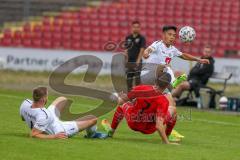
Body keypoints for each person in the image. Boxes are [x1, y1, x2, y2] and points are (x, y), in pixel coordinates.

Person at [102, 72, 184, 145]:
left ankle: (111, 132)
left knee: (122, 105)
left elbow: (120, 101)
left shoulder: (140, 88)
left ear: (155, 81)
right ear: (167, 85)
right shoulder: (163, 101)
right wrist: (167, 143)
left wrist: (119, 96)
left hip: (133, 123)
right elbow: (159, 126)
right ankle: (167, 136)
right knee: (173, 109)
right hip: (149, 129)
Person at [141, 25, 210, 108]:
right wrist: (146, 52)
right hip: (150, 77)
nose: (172, 37)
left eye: (174, 35)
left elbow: (183, 55)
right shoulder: (158, 44)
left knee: (171, 104)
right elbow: (149, 49)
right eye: (169, 34)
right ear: (163, 35)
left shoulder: (172, 49)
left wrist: (199, 60)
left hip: (160, 81)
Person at [20, 86, 108, 139]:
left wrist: (33, 118)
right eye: (47, 96)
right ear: (43, 99)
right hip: (58, 129)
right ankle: (91, 135)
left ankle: (65, 120)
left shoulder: (25, 103)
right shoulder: (44, 115)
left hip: (50, 118)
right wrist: (54, 136)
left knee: (62, 99)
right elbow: (33, 134)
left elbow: (23, 118)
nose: (47, 98)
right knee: (93, 118)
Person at [124, 21, 146, 91]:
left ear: (139, 28)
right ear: (132, 28)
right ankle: (130, 96)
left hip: (137, 61)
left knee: (137, 79)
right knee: (128, 79)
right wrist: (126, 60)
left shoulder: (142, 38)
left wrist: (138, 61)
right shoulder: (128, 37)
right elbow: (126, 49)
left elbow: (142, 50)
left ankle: (138, 95)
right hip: (130, 62)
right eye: (134, 27)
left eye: (137, 27)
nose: (136, 28)